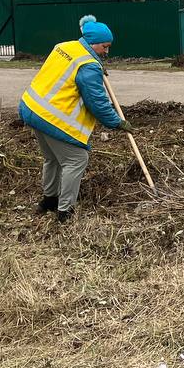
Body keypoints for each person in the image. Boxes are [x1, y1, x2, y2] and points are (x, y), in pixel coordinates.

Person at [19, 14, 130, 223]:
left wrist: (95, 65)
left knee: (52, 159)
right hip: (51, 118)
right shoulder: (88, 66)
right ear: (93, 43)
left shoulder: (66, 47)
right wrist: (117, 122)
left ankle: (48, 201)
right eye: (104, 47)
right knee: (76, 159)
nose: (107, 52)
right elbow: (97, 102)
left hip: (32, 108)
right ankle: (65, 212)